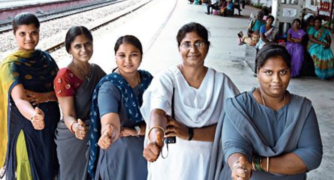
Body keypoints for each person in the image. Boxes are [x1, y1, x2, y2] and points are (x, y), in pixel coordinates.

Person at [208, 44, 323, 180]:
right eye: (269, 72)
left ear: (290, 72)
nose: (276, 79)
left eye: (283, 72)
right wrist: (238, 167)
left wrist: (257, 163)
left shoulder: (303, 108)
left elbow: (312, 155)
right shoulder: (239, 106)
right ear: (258, 72)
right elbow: (234, 146)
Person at [141, 22, 239, 180]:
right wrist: (156, 139)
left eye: (198, 43)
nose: (193, 50)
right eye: (186, 44)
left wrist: (191, 133)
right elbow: (157, 112)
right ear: (179, 48)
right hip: (172, 166)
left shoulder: (221, 83)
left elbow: (234, 126)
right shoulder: (167, 79)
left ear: (207, 46)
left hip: (208, 163)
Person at [0, 13, 60, 180]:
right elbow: (19, 99)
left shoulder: (46, 59)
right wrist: (33, 115)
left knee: (48, 168)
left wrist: (44, 97)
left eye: (33, 32)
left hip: (50, 127)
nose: (29, 38)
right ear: (14, 34)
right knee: (29, 169)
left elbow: (61, 92)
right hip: (26, 129)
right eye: (22, 34)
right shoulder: (10, 65)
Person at [87, 35, 153, 180]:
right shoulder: (109, 87)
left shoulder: (148, 81)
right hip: (120, 158)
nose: (128, 61)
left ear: (141, 56)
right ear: (115, 57)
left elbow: (159, 117)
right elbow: (109, 119)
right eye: (122, 55)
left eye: (133, 55)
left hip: (147, 153)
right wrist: (108, 132)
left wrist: (136, 131)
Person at [54, 26, 106, 180]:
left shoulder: (96, 71)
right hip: (74, 136)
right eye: (77, 46)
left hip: (96, 132)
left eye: (88, 44)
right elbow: (68, 114)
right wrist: (76, 127)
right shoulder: (64, 76)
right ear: (69, 49)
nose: (84, 49)